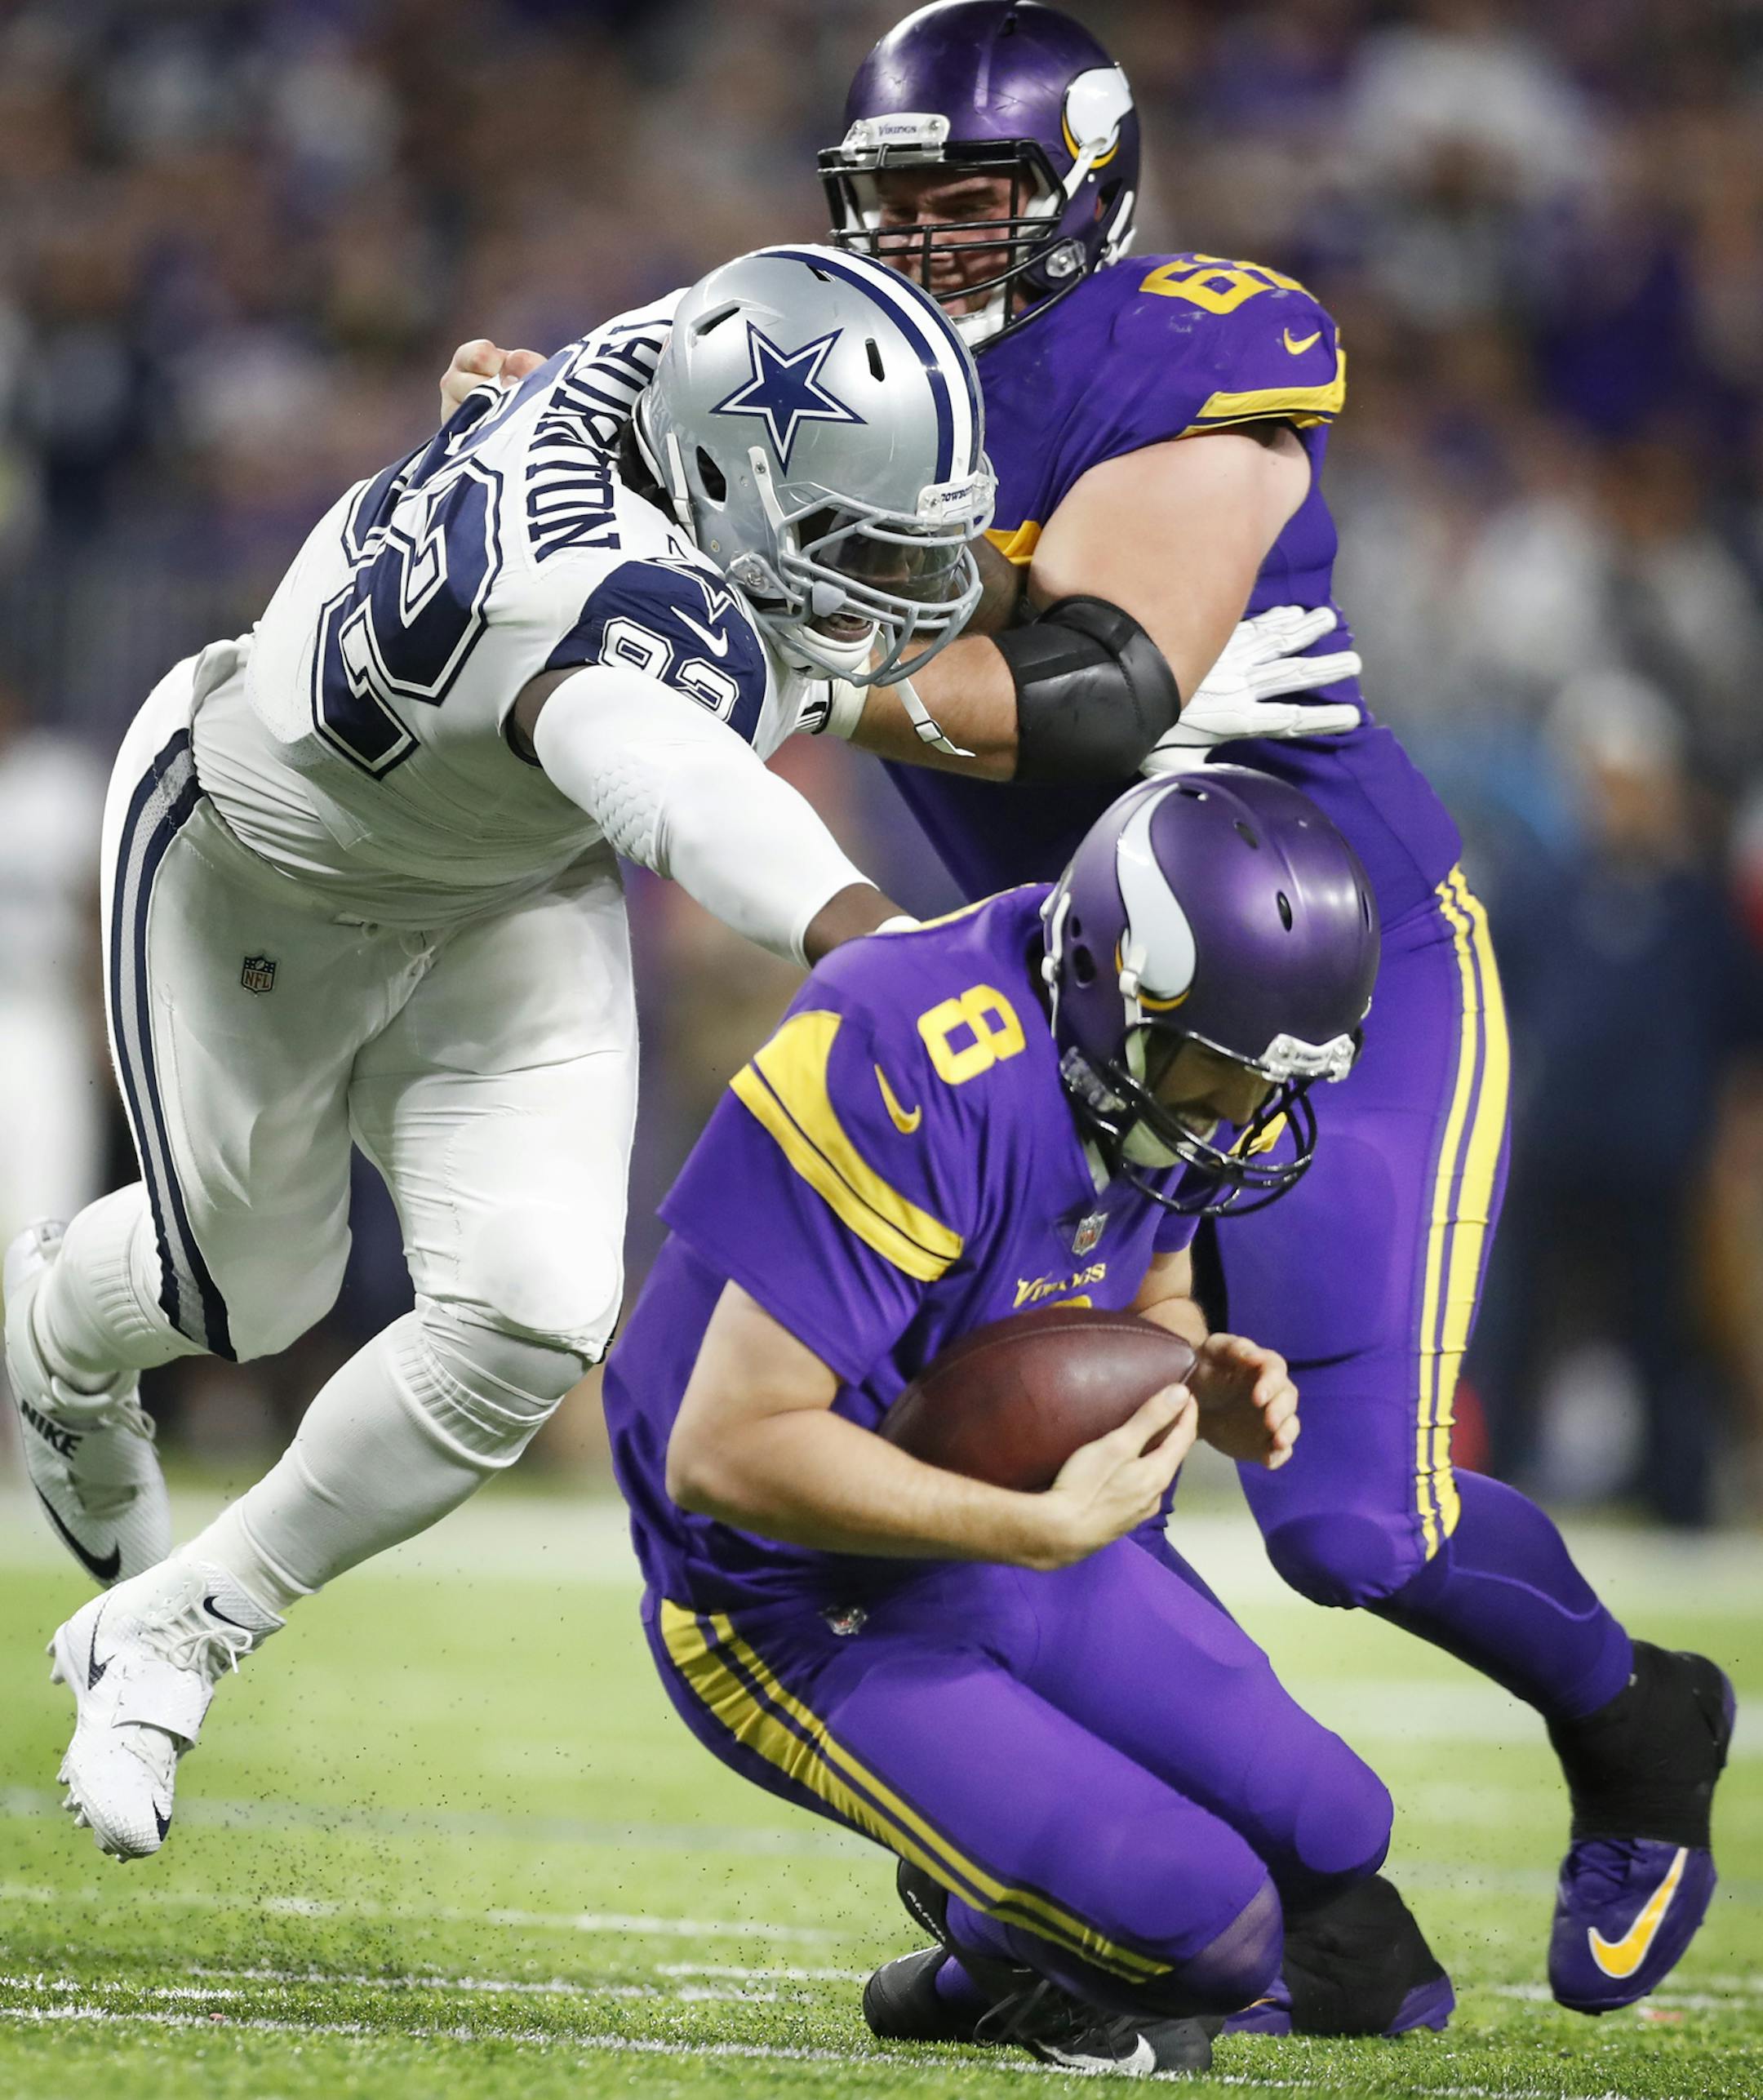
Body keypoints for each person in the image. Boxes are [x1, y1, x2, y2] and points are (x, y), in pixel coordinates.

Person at [443, 0, 1736, 2016]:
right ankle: (1030, 1900)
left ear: (1091, 187)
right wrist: (524, 438)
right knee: (969, 1466)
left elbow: (1110, 690)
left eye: (979, 199)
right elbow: (576, 459)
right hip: (1053, 1022)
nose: (936, 244)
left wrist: (803, 671)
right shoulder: (804, 358)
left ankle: (1640, 1726)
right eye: (896, 203)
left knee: (1351, 1525)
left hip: (1321, 980)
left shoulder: (1191, 349)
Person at [11, 242, 997, 1862]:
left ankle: (179, 1631)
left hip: (499, 876)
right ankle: (58, 1331)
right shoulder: (597, 611)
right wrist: (873, 945)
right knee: (248, 1296)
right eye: (843, 541)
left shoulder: (669, 363)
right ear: (724, 484)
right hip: (259, 862)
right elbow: (694, 798)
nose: (882, 585)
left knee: (534, 1311)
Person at [602, 766, 1456, 2076]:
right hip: (785, 1592)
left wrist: (1192, 1377)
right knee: (1208, 1931)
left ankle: (995, 1942)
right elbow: (726, 1450)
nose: (1235, 1121)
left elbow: (1149, 1290)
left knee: (1340, 1833)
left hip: (999, 1540)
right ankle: (992, 1942)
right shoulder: (911, 1053)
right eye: (1219, 1074)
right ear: (1125, 987)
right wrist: (1034, 1523)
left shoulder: (1131, 1043)